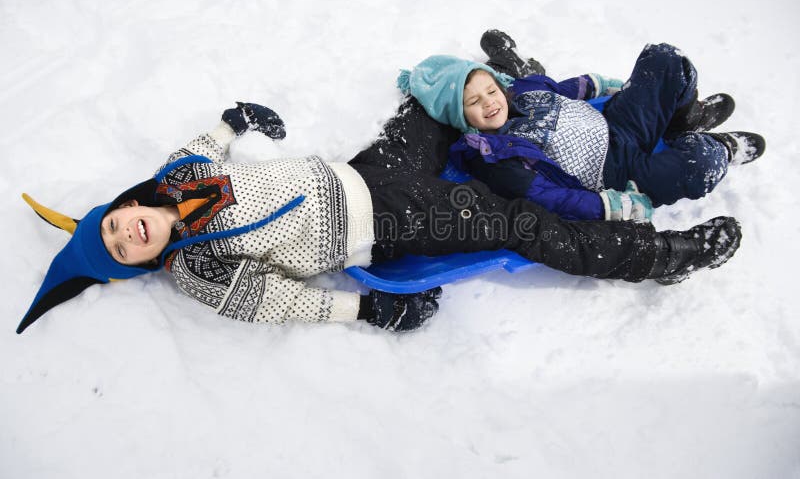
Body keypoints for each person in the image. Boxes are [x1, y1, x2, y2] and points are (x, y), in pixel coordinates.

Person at [17, 98, 742, 335]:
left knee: (434, 107)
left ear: (127, 205)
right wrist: (365, 310)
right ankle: (655, 256)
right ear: (137, 265)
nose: (125, 234)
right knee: (519, 224)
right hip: (390, 220)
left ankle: (621, 120)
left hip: (365, 170)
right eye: (119, 250)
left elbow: (198, 145)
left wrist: (234, 120)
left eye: (114, 224)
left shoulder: (178, 182)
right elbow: (278, 300)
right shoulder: (197, 266)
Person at [399, 37, 765, 221]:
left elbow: (561, 89)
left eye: (490, 91)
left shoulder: (520, 91)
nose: (490, 103)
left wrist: (597, 84)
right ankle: (718, 149)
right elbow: (547, 197)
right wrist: (609, 206)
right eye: (474, 103)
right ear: (458, 116)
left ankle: (682, 122)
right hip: (617, 173)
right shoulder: (492, 156)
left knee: (665, 59)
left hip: (616, 123)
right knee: (699, 164)